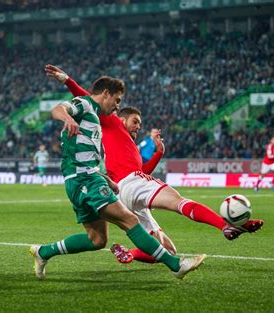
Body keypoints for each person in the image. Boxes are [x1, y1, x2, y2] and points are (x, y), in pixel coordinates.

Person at [45, 64, 264, 263]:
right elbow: (89, 97)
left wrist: (159, 153)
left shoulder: (128, 145)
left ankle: (129, 253)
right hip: (129, 184)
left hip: (124, 191)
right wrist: (67, 80)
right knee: (178, 202)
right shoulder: (112, 122)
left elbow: (141, 171)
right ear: (121, 118)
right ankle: (225, 226)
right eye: (135, 121)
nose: (138, 126)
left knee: (167, 248)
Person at [29, 76, 205, 280]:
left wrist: (105, 178)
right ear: (106, 94)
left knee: (97, 240)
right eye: (117, 100)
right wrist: (67, 118)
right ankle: (176, 265)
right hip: (84, 181)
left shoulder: (94, 116)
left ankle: (43, 252)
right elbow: (58, 109)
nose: (117, 106)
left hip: (83, 179)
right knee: (129, 220)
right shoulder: (85, 104)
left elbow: (85, 158)